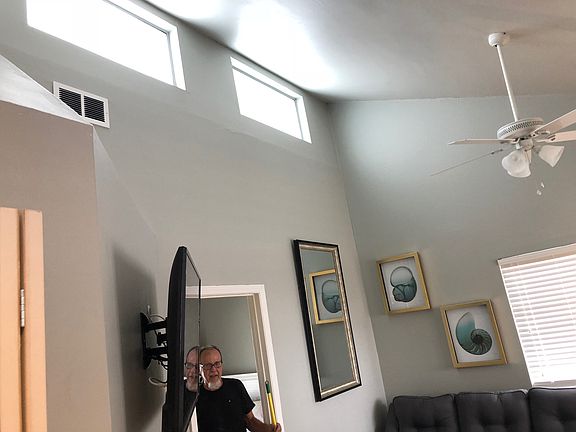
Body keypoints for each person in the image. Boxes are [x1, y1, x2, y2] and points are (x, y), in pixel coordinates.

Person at [197, 345, 282, 432]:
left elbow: (250, 421)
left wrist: (269, 429)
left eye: (217, 364)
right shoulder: (194, 397)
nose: (213, 369)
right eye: (208, 365)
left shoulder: (236, 386)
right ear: (199, 369)